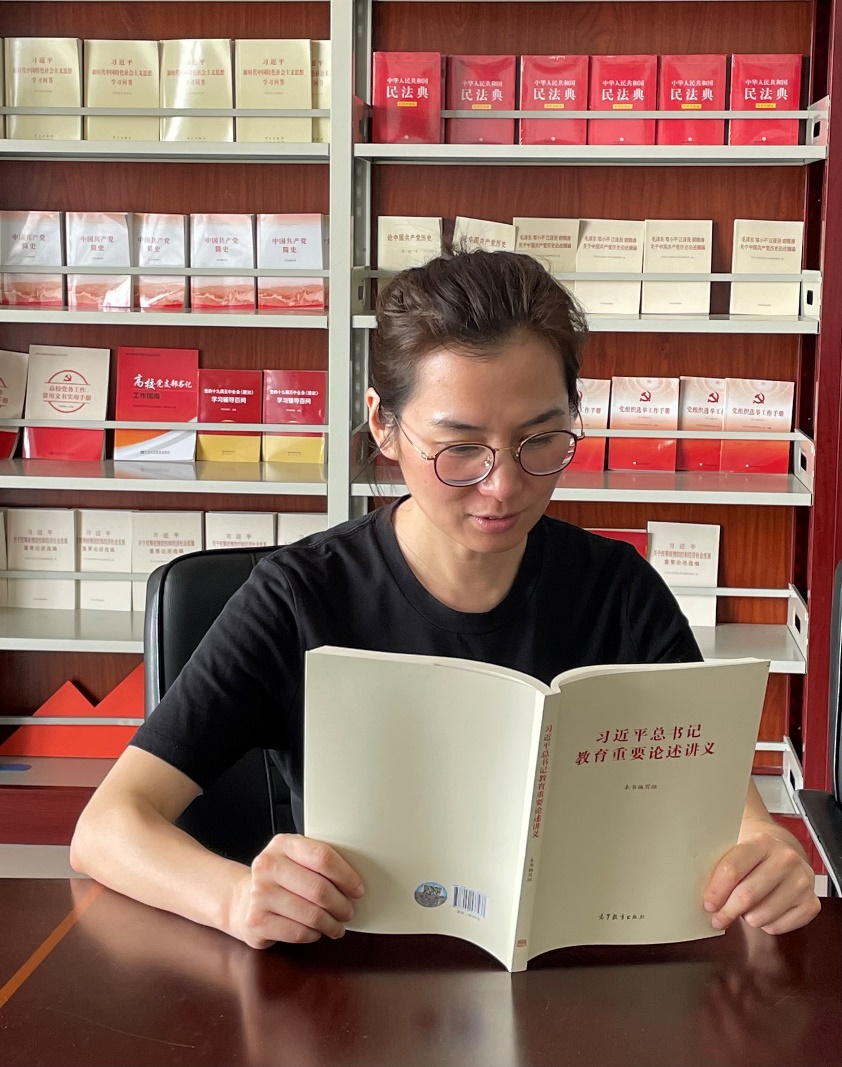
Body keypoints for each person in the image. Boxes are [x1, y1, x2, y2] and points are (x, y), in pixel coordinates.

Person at [71, 249, 820, 949]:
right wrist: (236, 898)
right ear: (384, 425)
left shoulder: (619, 592)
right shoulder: (299, 597)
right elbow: (106, 826)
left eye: (541, 439)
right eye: (460, 447)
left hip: (575, 979)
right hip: (353, 980)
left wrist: (765, 854)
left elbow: (731, 816)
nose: (503, 487)